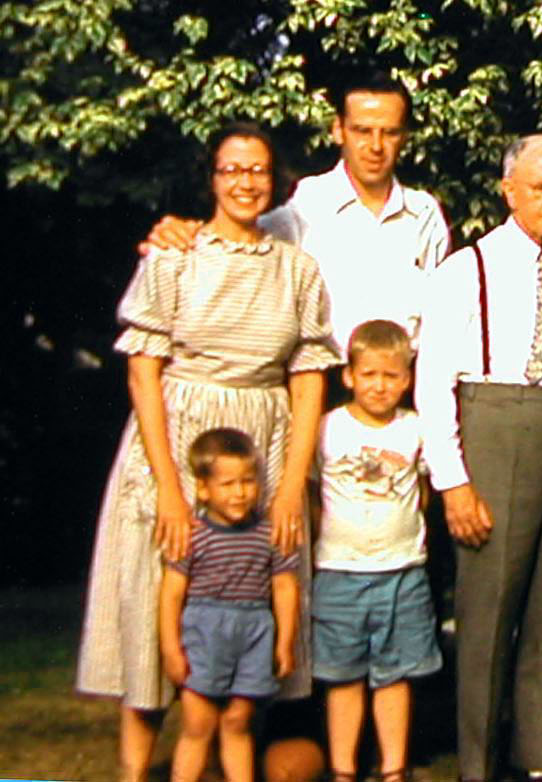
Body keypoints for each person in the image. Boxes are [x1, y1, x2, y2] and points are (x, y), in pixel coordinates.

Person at [76, 122, 339, 782]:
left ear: (275, 181)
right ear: (212, 178)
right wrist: (170, 488)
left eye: (258, 171)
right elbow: (143, 373)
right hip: (175, 438)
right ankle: (135, 772)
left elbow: (308, 380)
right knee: (153, 599)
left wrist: (291, 489)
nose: (246, 183)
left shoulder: (298, 270)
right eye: (232, 170)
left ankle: (233, 760)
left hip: (264, 444)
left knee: (254, 591)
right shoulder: (172, 258)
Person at [416, 134, 542, 782]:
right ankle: (479, 762)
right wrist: (453, 481)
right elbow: (433, 382)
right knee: (489, 608)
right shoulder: (467, 269)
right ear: (509, 190)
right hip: (493, 424)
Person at [144, 71, 451, 343]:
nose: (375, 146)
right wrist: (184, 233)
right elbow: (238, 241)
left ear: (404, 136)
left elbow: (440, 317)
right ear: (338, 130)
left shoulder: (424, 214)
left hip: (402, 380)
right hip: (320, 376)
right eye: (362, 131)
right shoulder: (306, 205)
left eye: (389, 132)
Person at [311, 320, 442, 782]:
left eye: (391, 376)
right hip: (339, 572)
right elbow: (311, 494)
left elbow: (423, 494)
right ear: (349, 375)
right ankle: (343, 769)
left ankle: (393, 768)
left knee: (395, 675)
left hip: (402, 571)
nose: (379, 386)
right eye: (369, 374)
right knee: (343, 676)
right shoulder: (328, 428)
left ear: (407, 379)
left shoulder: (415, 429)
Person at [161, 429, 301, 782]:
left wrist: (285, 642)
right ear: (203, 489)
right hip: (205, 633)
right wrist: (171, 649)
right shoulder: (193, 535)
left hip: (254, 634)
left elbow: (284, 587)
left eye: (248, 482)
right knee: (198, 723)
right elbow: (171, 594)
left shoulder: (269, 533)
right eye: (227, 484)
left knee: (238, 721)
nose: (239, 493)